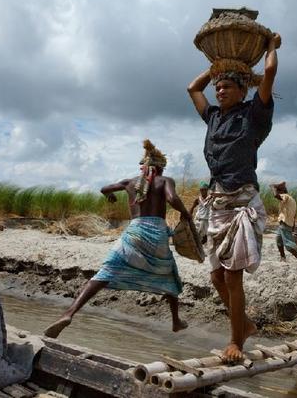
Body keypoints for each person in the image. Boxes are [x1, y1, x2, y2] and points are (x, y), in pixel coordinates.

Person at [187, 33, 282, 362]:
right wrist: (216, 68)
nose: (220, 90)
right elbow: (192, 89)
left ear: (243, 91)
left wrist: (270, 47)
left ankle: (236, 342)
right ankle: (245, 324)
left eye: (227, 86)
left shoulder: (254, 115)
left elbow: (268, 74)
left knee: (231, 274)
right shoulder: (212, 116)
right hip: (217, 203)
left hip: (242, 202)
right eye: (218, 87)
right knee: (215, 275)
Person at [44, 139, 190, 338]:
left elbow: (104, 189)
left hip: (134, 231)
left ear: (144, 167)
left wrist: (110, 197)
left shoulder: (129, 182)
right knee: (169, 274)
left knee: (106, 272)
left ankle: (69, 313)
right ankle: (175, 321)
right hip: (156, 233)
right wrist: (186, 214)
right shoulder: (165, 181)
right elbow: (172, 199)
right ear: (161, 168)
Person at [271, 182, 297, 262]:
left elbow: (276, 196)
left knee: (288, 244)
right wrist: (293, 228)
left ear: (281, 191)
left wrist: (273, 187)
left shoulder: (285, 196)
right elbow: (294, 216)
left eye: (278, 191)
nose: (278, 192)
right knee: (279, 241)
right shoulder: (292, 200)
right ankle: (283, 258)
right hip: (286, 223)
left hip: (284, 223)